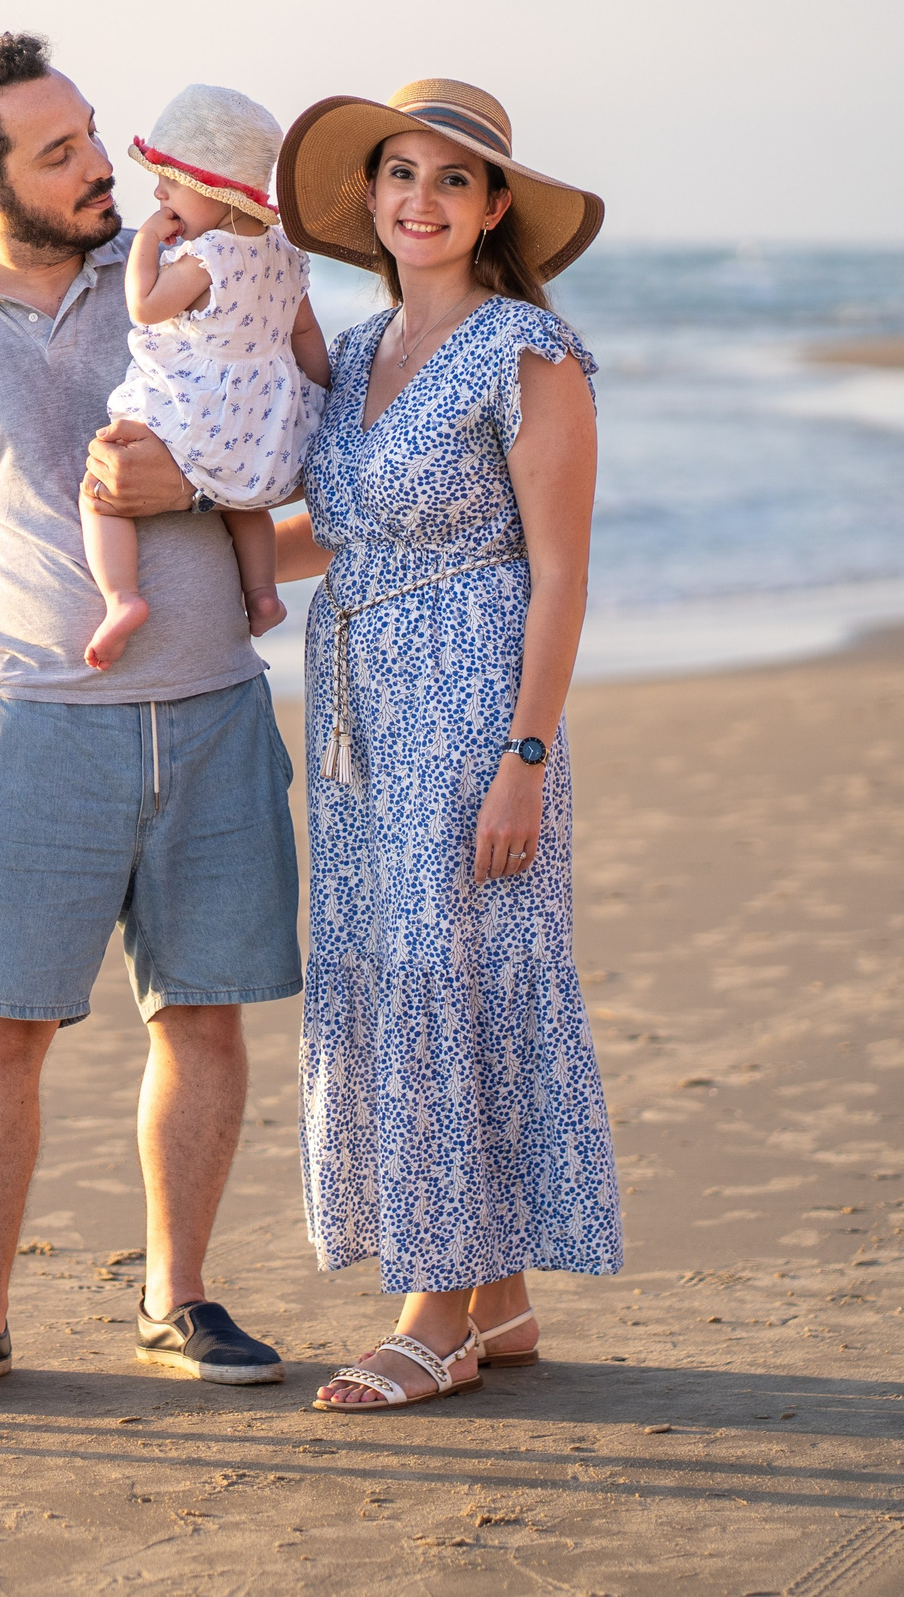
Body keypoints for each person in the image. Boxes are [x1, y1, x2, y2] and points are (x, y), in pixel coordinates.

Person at [0, 33, 303, 1406]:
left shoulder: (194, 260)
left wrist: (206, 498)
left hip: (217, 706)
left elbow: (311, 432)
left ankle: (181, 1292)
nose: (103, 164)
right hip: (30, 725)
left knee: (206, 1017)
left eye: (93, 131)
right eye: (59, 153)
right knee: (0, 1024)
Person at [273, 78, 623, 1409]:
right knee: (398, 964)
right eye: (400, 173)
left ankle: (433, 1310)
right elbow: (345, 534)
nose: (422, 198)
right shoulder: (356, 356)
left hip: (476, 701)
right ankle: (501, 1293)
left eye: (453, 180)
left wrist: (524, 756)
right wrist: (192, 526)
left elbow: (562, 572)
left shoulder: (530, 349)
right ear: (368, 197)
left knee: (446, 970)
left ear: (491, 212)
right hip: (362, 704)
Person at [81, 84, 328, 670]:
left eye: (170, 179)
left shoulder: (208, 255)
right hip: (259, 411)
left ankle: (121, 599)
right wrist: (317, 399)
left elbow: (145, 305)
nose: (159, 191)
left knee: (101, 492)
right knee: (240, 500)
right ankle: (263, 596)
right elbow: (304, 336)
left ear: (216, 192)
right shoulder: (285, 256)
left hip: (195, 406)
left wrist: (144, 242)